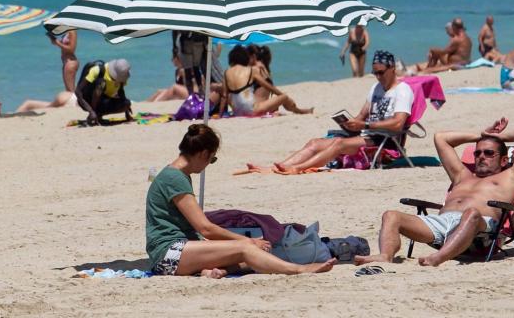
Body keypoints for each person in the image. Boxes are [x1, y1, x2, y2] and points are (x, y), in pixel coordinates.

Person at [146, 124, 336, 277]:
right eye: (212, 160)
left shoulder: (176, 174)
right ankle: (299, 270)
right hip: (169, 255)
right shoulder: (174, 178)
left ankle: (211, 272)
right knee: (246, 248)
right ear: (204, 154)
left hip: (179, 251)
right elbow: (206, 228)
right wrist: (248, 241)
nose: (207, 165)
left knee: (253, 257)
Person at [355, 117, 514, 267]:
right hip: (441, 223)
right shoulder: (462, 175)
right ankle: (385, 255)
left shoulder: (511, 176)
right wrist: (482, 135)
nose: (481, 157)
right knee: (391, 215)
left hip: (479, 225)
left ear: (503, 161)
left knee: (471, 214)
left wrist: (499, 136)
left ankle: (439, 257)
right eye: (478, 153)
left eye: (489, 153)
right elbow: (440, 138)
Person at [252, 50, 410, 175]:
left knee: (338, 143)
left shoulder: (402, 90)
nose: (378, 77)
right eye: (375, 73)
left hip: (385, 140)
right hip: (366, 135)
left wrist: (365, 124)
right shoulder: (376, 88)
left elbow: (398, 123)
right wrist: (351, 123)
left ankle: (298, 168)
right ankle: (280, 167)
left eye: (381, 72)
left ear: (392, 69)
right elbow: (361, 116)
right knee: (314, 142)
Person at [219, 46, 312, 117]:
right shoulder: (252, 70)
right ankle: (300, 111)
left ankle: (299, 110)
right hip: (252, 110)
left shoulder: (226, 72)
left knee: (233, 94)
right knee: (284, 97)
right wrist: (281, 95)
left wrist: (220, 115)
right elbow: (267, 86)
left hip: (237, 111)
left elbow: (224, 96)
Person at [75, 59, 133, 126]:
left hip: (103, 100)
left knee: (127, 103)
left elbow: (121, 91)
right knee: (101, 83)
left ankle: (98, 115)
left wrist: (126, 112)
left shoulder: (122, 76)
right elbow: (78, 91)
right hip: (88, 100)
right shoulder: (98, 71)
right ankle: (94, 114)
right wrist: (91, 111)